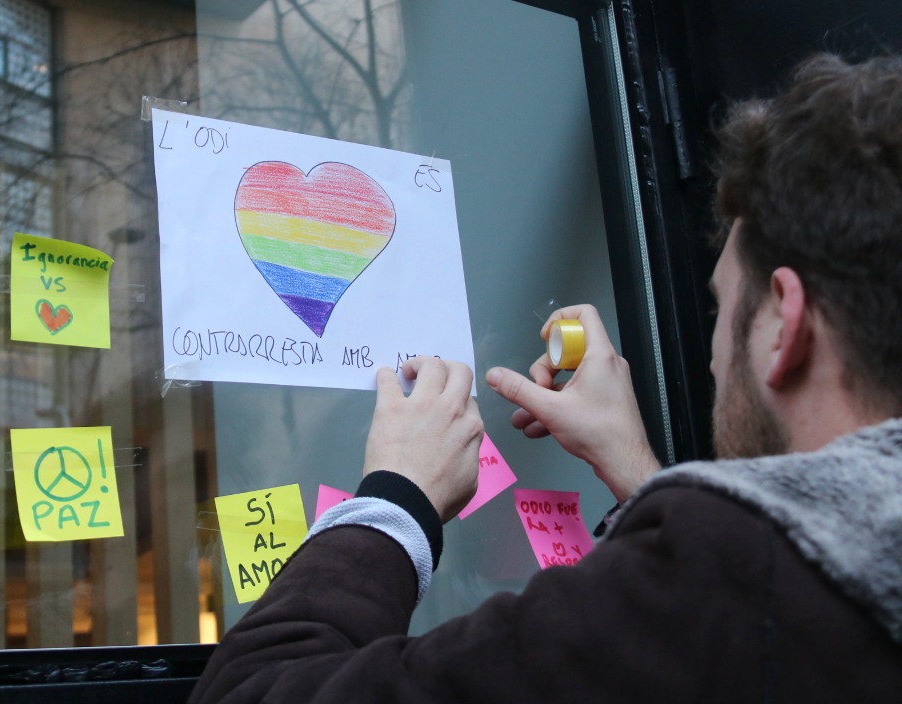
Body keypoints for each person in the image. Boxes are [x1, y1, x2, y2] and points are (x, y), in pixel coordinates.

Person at [188, 54, 902, 702]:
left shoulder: (731, 583)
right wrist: (635, 469)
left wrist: (396, 498)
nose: (714, 357)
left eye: (723, 309)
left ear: (786, 324)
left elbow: (250, 693)